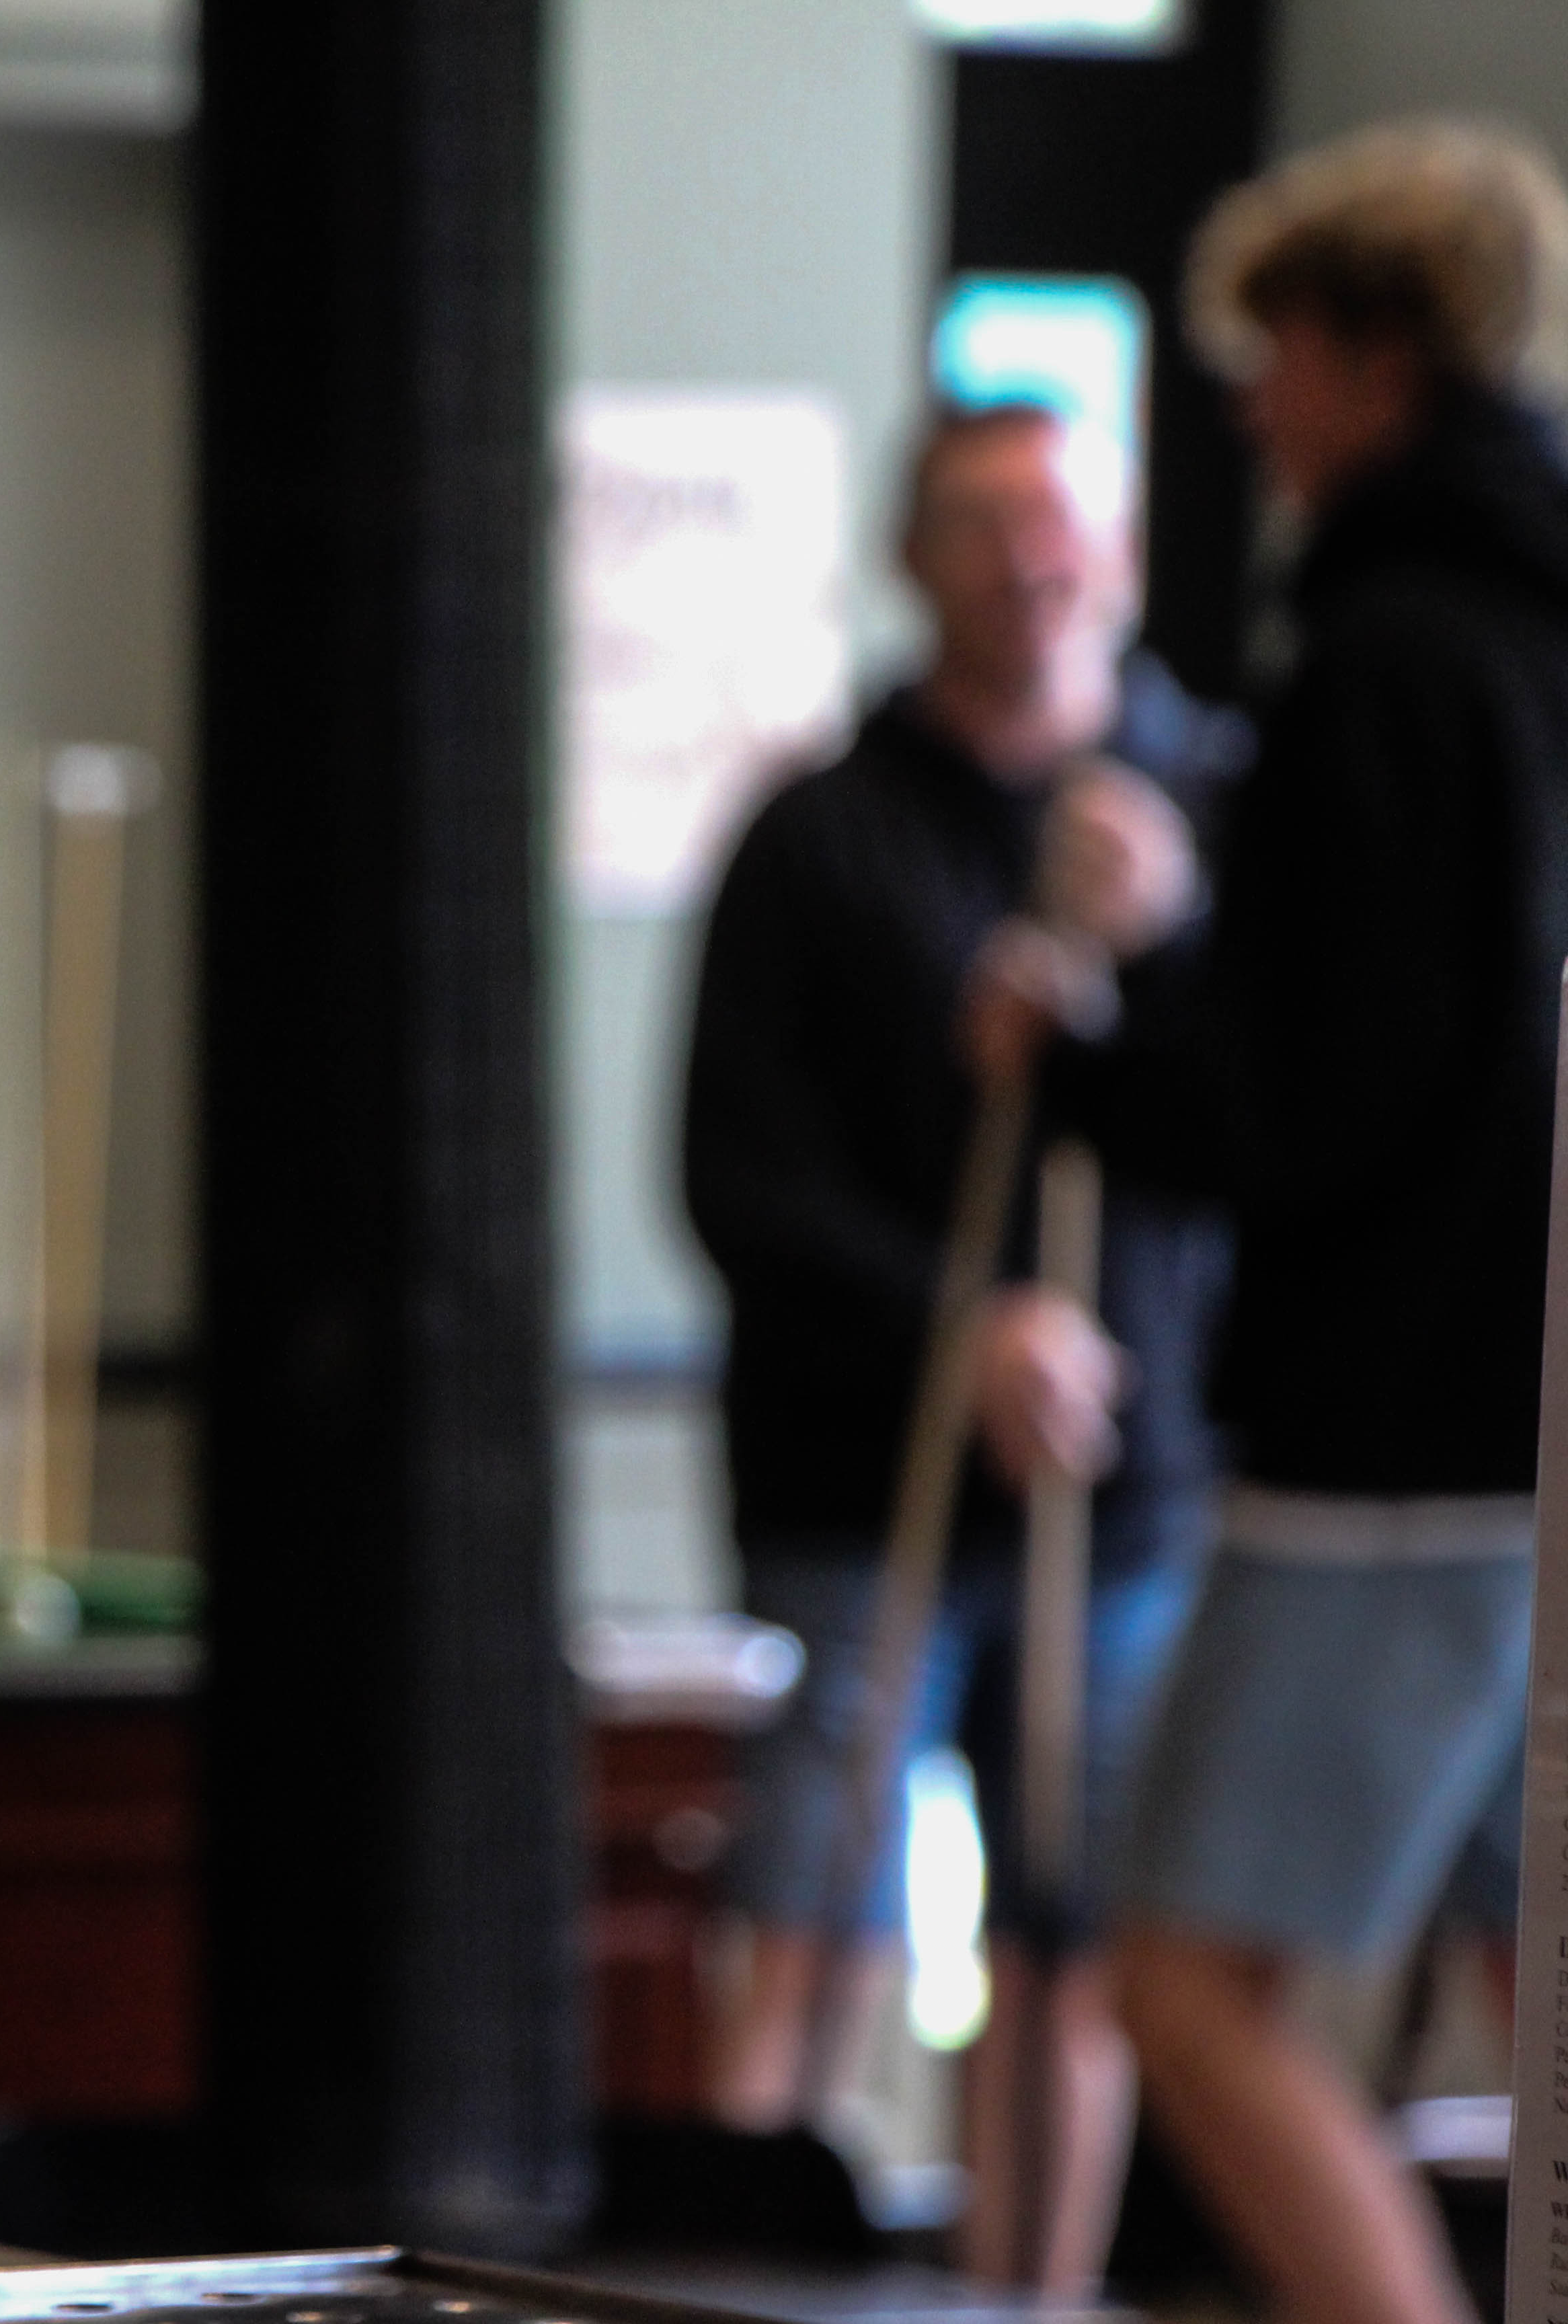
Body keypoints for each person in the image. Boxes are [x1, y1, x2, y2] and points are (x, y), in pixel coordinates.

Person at [996, 119, 1568, 2324]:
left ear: (1376, 351)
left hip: (1393, 1445)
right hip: (1537, 1422)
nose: (1252, 401)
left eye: (1281, 350)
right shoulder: (1534, 638)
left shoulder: (1388, 664)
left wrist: (1083, 1055)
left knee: (1184, 1985)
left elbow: (1330, 1088)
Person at [684, 401, 1243, 2290]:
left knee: (1076, 1935)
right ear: (914, 560)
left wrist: (1156, 960)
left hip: (1131, 1489)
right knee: (812, 1914)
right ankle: (728, 2288)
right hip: (870, 1487)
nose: (1034, 560)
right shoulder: (819, 832)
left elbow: (1275, 1121)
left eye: (1066, 521)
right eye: (988, 523)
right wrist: (964, 1332)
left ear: (1131, 553)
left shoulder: (1209, 806)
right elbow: (737, 1178)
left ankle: (1037, 2300)